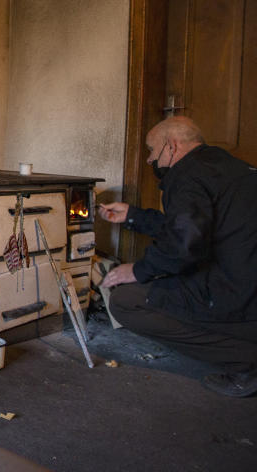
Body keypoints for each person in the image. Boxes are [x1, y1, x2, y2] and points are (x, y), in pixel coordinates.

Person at [98, 116, 257, 397]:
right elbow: (195, 228)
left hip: (236, 292)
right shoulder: (227, 166)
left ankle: (245, 360)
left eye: (151, 149)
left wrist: (136, 271)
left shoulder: (186, 174)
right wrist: (134, 216)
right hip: (246, 279)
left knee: (126, 301)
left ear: (171, 146)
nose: (149, 159)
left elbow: (183, 244)